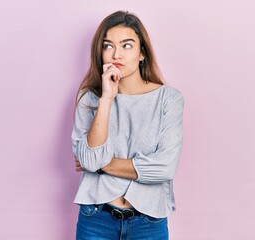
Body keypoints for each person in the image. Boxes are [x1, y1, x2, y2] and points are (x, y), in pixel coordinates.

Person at [71, 10, 184, 240]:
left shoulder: (169, 99)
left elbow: (164, 168)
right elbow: (90, 160)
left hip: (148, 223)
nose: (116, 54)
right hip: (96, 220)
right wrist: (107, 98)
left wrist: (102, 166)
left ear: (142, 53)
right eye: (108, 45)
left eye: (127, 45)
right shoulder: (89, 99)